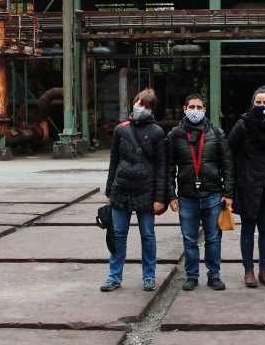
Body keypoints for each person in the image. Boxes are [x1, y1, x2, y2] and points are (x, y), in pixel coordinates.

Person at [100, 88, 167, 293]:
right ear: (133, 103)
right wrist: (109, 190)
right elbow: (114, 161)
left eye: (146, 106)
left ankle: (149, 276)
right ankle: (114, 276)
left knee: (147, 235)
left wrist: (159, 197)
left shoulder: (157, 132)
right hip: (121, 190)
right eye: (139, 103)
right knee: (118, 234)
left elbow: (161, 166)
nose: (142, 108)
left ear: (152, 109)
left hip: (146, 191)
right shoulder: (121, 130)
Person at [167, 92, 234, 291]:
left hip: (213, 194)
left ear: (204, 110)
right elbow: (169, 168)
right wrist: (171, 194)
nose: (195, 111)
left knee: (213, 238)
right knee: (189, 239)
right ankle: (192, 276)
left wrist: (228, 193)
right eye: (191, 107)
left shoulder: (216, 133)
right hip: (187, 196)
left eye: (199, 107)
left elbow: (228, 165)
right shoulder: (175, 135)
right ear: (184, 110)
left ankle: (214, 275)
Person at [228, 86, 265, 288]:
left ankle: (264, 270)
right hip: (248, 187)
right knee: (248, 230)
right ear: (252, 104)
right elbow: (229, 153)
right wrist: (233, 185)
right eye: (258, 103)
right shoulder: (242, 126)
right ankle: (248, 270)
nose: (261, 106)